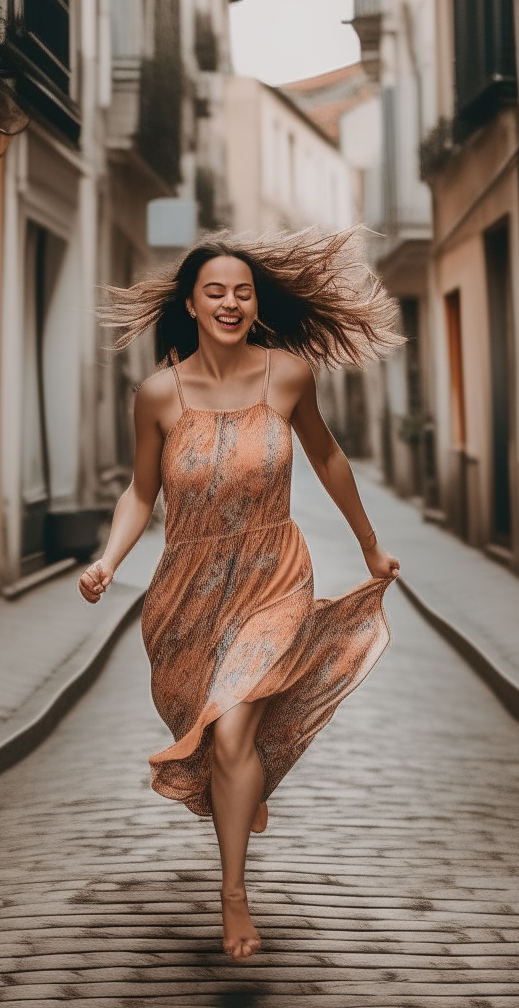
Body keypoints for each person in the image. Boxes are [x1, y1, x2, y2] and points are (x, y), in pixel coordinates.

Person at [78, 227, 402, 962]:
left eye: (242, 292)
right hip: (186, 595)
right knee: (226, 740)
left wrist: (369, 542)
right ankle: (242, 784)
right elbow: (140, 492)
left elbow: (327, 456)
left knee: (230, 736)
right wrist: (106, 560)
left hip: (273, 574)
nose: (230, 302)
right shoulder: (157, 395)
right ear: (191, 304)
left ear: (257, 306)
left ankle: (233, 898)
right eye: (215, 291)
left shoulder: (287, 376)